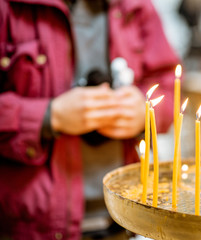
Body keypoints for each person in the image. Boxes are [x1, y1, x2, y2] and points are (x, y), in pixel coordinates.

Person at [0, 0, 179, 239]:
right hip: (28, 226)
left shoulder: (136, 5)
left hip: (123, 220)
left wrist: (144, 111)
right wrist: (48, 116)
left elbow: (169, 86)